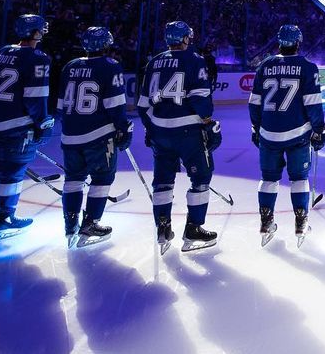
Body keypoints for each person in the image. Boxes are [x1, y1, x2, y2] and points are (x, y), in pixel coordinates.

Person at [138, 21, 219, 253]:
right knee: (201, 178)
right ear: (184, 38)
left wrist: (150, 128)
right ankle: (193, 228)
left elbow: (143, 104)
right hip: (188, 133)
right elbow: (200, 99)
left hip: (160, 133)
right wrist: (209, 123)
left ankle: (162, 227)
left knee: (163, 181)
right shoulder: (194, 60)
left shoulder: (154, 62)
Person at [248, 24, 325, 247]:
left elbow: (254, 103)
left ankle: (266, 222)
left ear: (279, 42)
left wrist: (256, 127)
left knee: (268, 178)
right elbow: (312, 103)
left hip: (269, 134)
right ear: (298, 42)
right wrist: (319, 129)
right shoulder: (307, 67)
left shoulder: (265, 65)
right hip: (297, 134)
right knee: (299, 178)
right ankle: (301, 223)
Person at [0, 14, 54, 240]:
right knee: (13, 172)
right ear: (35, 32)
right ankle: (6, 218)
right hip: (17, 122)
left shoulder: (3, 52)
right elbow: (35, 96)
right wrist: (42, 122)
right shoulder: (38, 57)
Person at [57, 26, 133, 248]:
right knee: (102, 178)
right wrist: (124, 128)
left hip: (69, 135)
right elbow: (115, 104)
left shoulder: (70, 66)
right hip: (98, 135)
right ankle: (90, 223)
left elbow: (60, 106)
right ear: (106, 44)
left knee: (73, 179)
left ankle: (70, 224)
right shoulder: (110, 66)